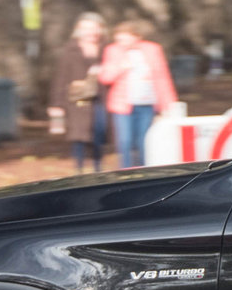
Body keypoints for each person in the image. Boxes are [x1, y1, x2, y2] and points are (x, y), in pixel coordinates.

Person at [97, 18, 177, 168]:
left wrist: (169, 103)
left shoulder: (152, 50)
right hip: (123, 106)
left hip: (146, 103)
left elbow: (162, 77)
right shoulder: (113, 51)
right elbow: (105, 78)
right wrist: (121, 67)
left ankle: (144, 170)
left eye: (125, 38)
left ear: (136, 37)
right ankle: (126, 171)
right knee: (125, 141)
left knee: (144, 141)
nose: (122, 42)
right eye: (119, 38)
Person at [47, 11, 110, 174]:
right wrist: (56, 104)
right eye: (86, 28)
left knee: (99, 132)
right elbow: (61, 78)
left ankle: (98, 168)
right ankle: (79, 169)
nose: (90, 32)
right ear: (78, 29)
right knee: (79, 135)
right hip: (77, 99)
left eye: (93, 28)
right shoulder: (70, 50)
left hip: (101, 97)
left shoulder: (107, 49)